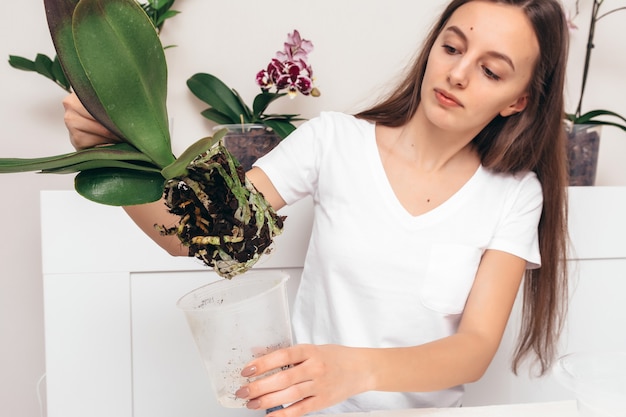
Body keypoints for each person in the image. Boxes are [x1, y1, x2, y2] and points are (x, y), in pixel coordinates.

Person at [63, 0, 570, 415]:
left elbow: (474, 349)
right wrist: (112, 150)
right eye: (452, 47)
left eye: (490, 70)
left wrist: (355, 369)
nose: (458, 73)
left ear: (519, 101)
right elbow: (191, 235)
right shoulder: (334, 140)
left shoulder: (514, 193)